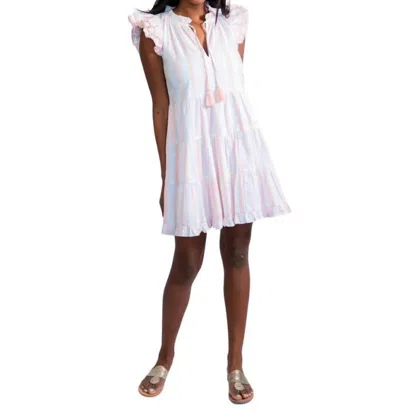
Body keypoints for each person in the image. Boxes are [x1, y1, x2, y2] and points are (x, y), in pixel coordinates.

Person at [128, 0, 291, 403]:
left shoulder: (231, 22)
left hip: (237, 152)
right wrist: (167, 176)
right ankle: (165, 357)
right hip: (190, 157)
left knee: (238, 253)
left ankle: (235, 364)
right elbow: (161, 106)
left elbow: (232, 93)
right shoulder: (156, 31)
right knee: (187, 261)